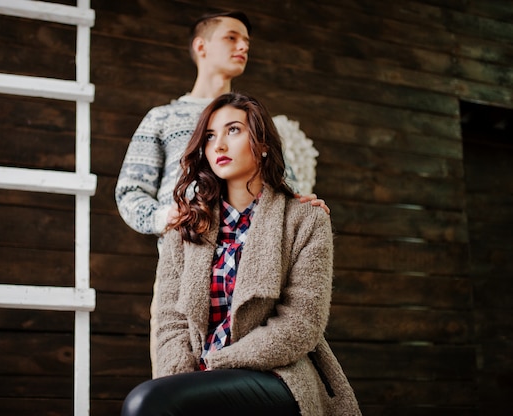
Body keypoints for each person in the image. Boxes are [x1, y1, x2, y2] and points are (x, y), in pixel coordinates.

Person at [115, 10, 329, 376]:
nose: (243, 45)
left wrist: (305, 203)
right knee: (175, 384)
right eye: (231, 37)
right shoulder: (162, 118)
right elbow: (129, 192)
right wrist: (171, 218)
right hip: (184, 279)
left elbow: (284, 187)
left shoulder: (254, 121)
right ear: (201, 46)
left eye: (246, 40)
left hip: (257, 274)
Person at [121, 92, 360, 416]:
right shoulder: (186, 228)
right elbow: (171, 325)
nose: (218, 145)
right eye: (210, 136)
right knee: (155, 400)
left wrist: (217, 362)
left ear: (262, 143)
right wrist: (181, 380)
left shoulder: (305, 219)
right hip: (203, 378)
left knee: (145, 404)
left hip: (279, 374)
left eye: (233, 130)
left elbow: (301, 325)